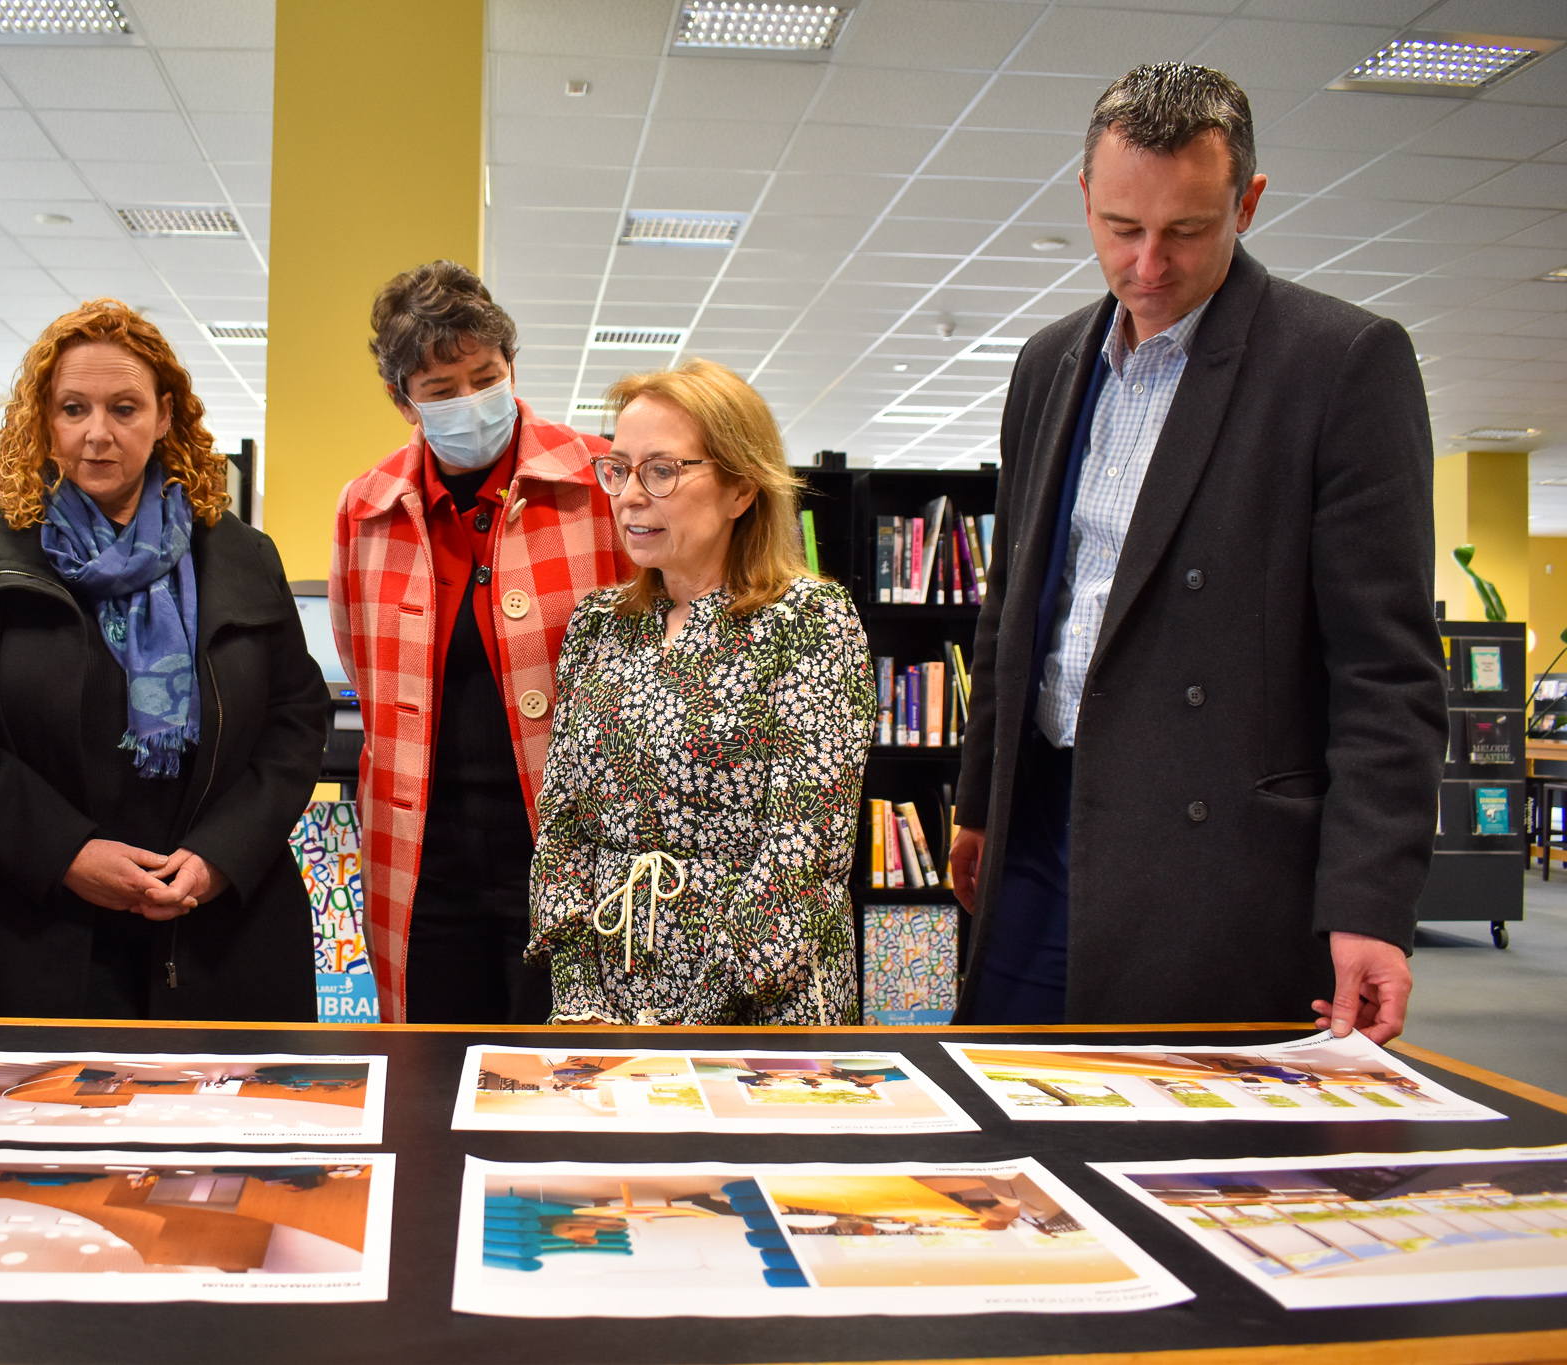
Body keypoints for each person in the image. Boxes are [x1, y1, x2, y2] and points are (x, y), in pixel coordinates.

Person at [948, 64, 1445, 1040]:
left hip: (1216, 868)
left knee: (1169, 1147)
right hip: (1040, 827)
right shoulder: (1046, 363)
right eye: (1120, 229)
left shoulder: (1339, 364)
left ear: (1246, 203)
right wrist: (978, 799)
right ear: (1082, 198)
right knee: (1011, 1125)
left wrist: (1368, 902)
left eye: (1184, 230)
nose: (1145, 266)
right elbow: (1017, 604)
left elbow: (1385, 671)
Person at [0, 298, 326, 1019]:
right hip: (23, 930)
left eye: (124, 408)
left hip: (214, 937)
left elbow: (294, 721)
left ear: (164, 417)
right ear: (45, 418)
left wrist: (221, 856)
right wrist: (66, 853)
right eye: (74, 408)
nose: (98, 434)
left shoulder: (241, 555)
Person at [330, 262, 632, 1024]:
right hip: (426, 857)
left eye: (485, 375)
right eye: (441, 390)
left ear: (511, 367)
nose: (470, 400)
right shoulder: (364, 509)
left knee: (568, 1068)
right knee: (435, 1071)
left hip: (573, 844)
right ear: (403, 401)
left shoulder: (603, 481)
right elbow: (362, 667)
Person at [528, 360, 872, 1026]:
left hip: (762, 1003)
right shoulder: (599, 625)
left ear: (741, 489)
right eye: (618, 467)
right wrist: (579, 995)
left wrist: (687, 1018)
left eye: (662, 471)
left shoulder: (811, 622)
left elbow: (801, 852)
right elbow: (563, 826)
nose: (630, 495)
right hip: (609, 999)